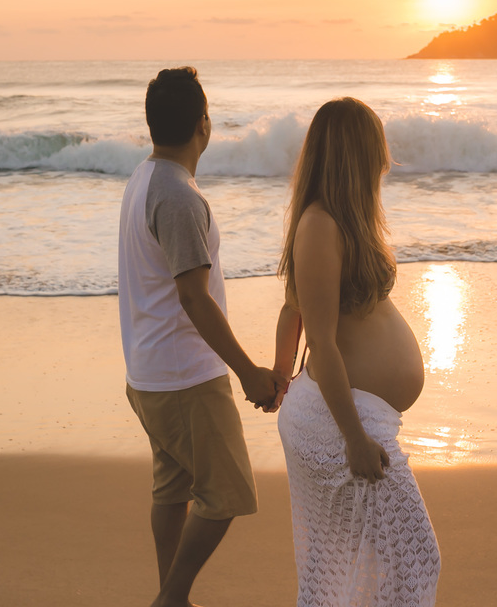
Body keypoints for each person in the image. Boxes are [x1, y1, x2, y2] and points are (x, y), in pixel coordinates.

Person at [118, 66, 285, 607]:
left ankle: (172, 596)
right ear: (203, 125)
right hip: (185, 377)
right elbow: (193, 297)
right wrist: (249, 371)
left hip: (149, 373)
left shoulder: (143, 180)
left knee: (172, 488)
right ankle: (171, 598)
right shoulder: (178, 196)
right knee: (228, 493)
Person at [274, 97, 441, 607]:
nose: (384, 163)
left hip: (352, 416)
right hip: (339, 423)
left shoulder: (347, 222)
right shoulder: (320, 226)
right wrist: (354, 438)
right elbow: (321, 341)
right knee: (414, 559)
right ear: (356, 154)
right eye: (377, 151)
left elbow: (292, 309)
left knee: (352, 571)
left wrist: (280, 374)